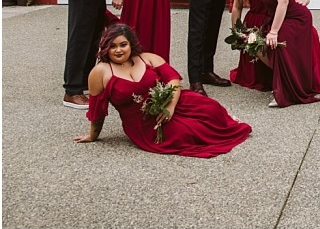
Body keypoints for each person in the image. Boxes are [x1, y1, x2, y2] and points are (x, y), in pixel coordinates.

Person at [74, 24, 251, 157]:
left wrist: (170, 106)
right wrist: (92, 135)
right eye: (113, 46)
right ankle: (222, 128)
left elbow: (173, 80)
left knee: (210, 107)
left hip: (173, 103)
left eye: (123, 44)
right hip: (145, 124)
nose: (118, 50)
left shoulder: (147, 58)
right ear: (106, 48)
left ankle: (228, 121)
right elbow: (97, 109)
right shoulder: (100, 72)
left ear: (131, 45)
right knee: (186, 132)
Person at [228, 0, 315, 91]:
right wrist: (237, 31)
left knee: (280, 51)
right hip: (254, 22)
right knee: (257, 49)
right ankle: (279, 79)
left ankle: (288, 79)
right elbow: (237, 7)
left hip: (276, 20)